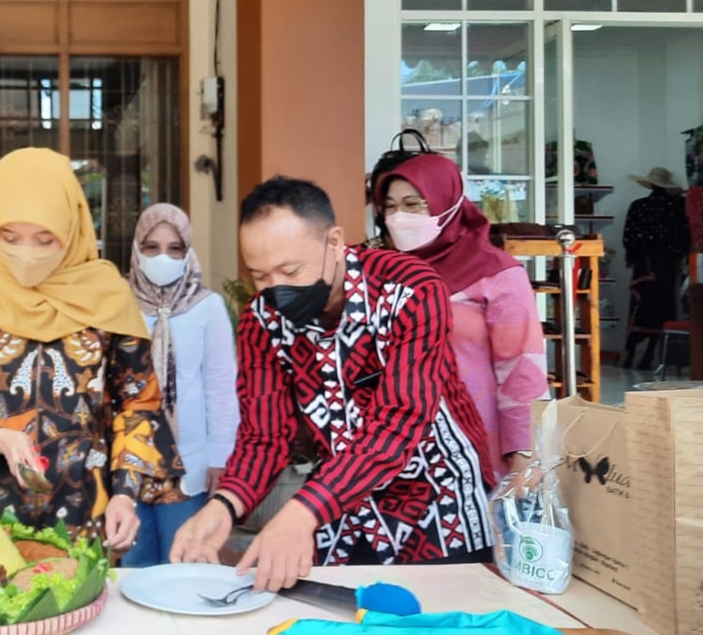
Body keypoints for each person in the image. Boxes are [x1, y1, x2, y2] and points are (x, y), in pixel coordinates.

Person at [170, 176, 495, 592]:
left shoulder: (408, 290)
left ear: (335, 242)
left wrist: (301, 512)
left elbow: (399, 423)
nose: (276, 290)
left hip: (438, 500)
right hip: (340, 504)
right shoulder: (262, 322)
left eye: (290, 270)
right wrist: (225, 504)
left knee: (442, 617)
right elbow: (264, 437)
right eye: (259, 276)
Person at [0, 148, 184, 552]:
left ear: (71, 229)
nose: (27, 253)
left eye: (44, 238)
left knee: (78, 609)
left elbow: (138, 404)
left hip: (88, 507)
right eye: (10, 237)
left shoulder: (107, 300)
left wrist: (126, 492)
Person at [369, 153, 549, 480]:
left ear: (447, 204)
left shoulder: (497, 273)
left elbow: (522, 370)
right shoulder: (382, 272)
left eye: (413, 204)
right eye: (391, 206)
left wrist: (524, 455)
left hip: (478, 445)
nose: (399, 217)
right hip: (398, 451)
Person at [120, 203, 241, 566]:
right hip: (130, 463)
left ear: (188, 251)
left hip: (188, 462)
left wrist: (221, 456)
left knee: (185, 563)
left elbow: (220, 385)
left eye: (175, 249)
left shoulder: (207, 306)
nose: (163, 257)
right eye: (152, 248)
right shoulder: (117, 304)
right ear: (137, 250)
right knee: (134, 567)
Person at [622, 167, 690, 370]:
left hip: (643, 264)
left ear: (651, 185)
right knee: (663, 308)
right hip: (667, 264)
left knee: (639, 305)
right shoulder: (678, 206)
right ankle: (651, 355)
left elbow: (629, 238)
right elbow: (683, 238)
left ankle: (631, 355)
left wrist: (637, 256)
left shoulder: (638, 206)